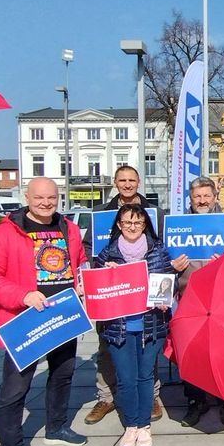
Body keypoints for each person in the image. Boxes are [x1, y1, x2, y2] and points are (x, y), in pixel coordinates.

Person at [0, 177, 88, 446]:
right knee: (15, 387)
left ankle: (57, 427)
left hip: (63, 316)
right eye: (39, 198)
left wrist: (83, 282)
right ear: (27, 197)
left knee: (63, 375)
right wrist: (21, 295)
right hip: (24, 320)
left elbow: (80, 261)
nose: (46, 203)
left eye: (51, 197)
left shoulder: (68, 228)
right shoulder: (5, 233)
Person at [94, 205, 188, 446]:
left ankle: (144, 424)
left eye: (137, 223)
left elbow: (168, 283)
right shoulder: (106, 254)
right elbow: (95, 289)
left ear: (145, 225)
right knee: (125, 379)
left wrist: (170, 283)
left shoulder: (158, 251)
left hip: (150, 325)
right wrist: (106, 275)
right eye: (127, 223)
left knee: (145, 377)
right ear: (119, 225)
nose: (133, 227)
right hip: (119, 326)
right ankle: (131, 425)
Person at [86, 165, 161, 428]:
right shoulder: (101, 213)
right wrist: (97, 272)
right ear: (116, 183)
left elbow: (162, 250)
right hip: (112, 298)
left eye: (132, 180)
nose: (127, 184)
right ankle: (106, 397)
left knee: (147, 349)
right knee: (107, 349)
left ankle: (150, 396)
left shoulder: (155, 213)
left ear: (138, 182)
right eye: (122, 180)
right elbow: (89, 250)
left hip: (146, 304)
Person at [176, 176, 224, 428]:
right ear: (190, 199)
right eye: (197, 196)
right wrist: (173, 267)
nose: (202, 200)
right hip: (190, 298)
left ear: (215, 196)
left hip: (222, 300)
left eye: (206, 195)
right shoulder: (178, 225)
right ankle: (196, 401)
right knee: (192, 353)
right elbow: (163, 261)